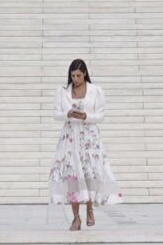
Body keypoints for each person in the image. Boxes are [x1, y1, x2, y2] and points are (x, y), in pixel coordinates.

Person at [49, 57, 119, 229]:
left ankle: (89, 210)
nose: (75, 79)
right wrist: (69, 114)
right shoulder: (63, 90)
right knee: (73, 175)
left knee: (90, 173)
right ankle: (75, 218)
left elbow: (101, 115)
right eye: (73, 76)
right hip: (70, 138)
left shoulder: (96, 91)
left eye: (79, 75)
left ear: (85, 73)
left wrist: (87, 116)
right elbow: (56, 114)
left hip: (90, 138)